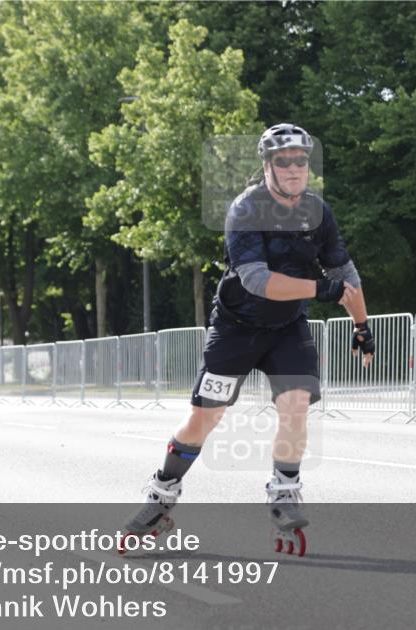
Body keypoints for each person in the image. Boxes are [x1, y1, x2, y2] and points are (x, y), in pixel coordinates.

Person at [122, 124, 375, 556]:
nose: (294, 168)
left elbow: (344, 274)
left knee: (296, 404)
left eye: (301, 160)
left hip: (287, 328)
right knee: (206, 418)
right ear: (267, 166)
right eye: (284, 161)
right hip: (236, 327)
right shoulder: (245, 209)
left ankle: (284, 490)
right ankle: (161, 495)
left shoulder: (318, 211)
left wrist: (361, 327)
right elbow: (257, 280)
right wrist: (319, 290)